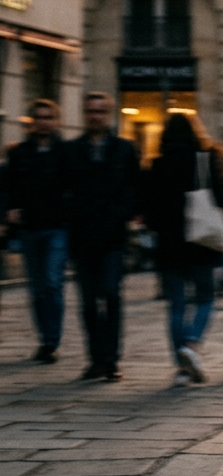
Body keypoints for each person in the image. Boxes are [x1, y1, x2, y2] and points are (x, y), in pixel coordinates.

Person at [141, 113, 223, 386]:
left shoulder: (158, 164)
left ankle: (181, 368)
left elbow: (149, 209)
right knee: (205, 297)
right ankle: (192, 344)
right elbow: (222, 197)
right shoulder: (204, 159)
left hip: (170, 244)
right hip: (200, 241)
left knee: (176, 304)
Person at [64, 92, 141, 382]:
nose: (94, 116)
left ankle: (111, 359)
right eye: (90, 111)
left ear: (107, 114)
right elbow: (63, 188)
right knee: (87, 302)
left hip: (113, 236)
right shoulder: (72, 150)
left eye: (99, 111)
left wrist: (124, 214)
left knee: (110, 294)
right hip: (83, 236)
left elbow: (134, 186)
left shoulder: (123, 149)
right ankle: (96, 358)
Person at [6, 100, 69, 365]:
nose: (43, 122)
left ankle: (52, 340)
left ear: (55, 121)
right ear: (32, 121)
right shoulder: (19, 153)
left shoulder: (65, 152)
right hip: (30, 228)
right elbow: (8, 186)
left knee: (53, 282)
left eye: (48, 117)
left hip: (57, 227)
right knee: (38, 288)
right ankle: (45, 340)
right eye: (39, 117)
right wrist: (10, 209)